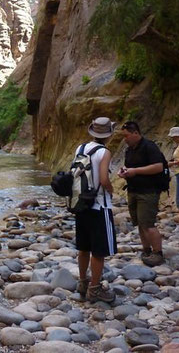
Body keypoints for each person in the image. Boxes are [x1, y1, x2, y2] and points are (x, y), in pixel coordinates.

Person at [75, 117, 118, 303]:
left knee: (83, 247)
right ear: (108, 134)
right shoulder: (105, 152)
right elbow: (103, 179)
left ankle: (83, 282)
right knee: (99, 251)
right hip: (99, 205)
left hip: (81, 203)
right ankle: (95, 288)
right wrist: (111, 190)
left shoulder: (80, 148)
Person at [118, 121, 167, 267]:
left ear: (136, 133)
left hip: (148, 191)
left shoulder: (149, 147)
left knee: (148, 224)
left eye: (126, 136)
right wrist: (125, 172)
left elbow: (158, 167)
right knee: (140, 223)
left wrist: (135, 171)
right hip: (133, 190)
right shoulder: (130, 150)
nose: (125, 139)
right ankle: (146, 250)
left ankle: (158, 253)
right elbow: (130, 167)